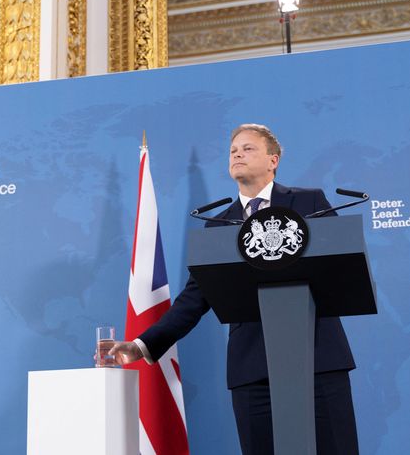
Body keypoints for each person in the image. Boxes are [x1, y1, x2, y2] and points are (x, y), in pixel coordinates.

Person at [110, 123, 359, 455]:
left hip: (317, 360)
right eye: (233, 151)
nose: (238, 154)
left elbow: (337, 264)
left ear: (274, 160)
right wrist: (144, 345)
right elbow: (195, 298)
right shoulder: (220, 223)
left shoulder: (308, 201)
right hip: (253, 369)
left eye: (248, 148)